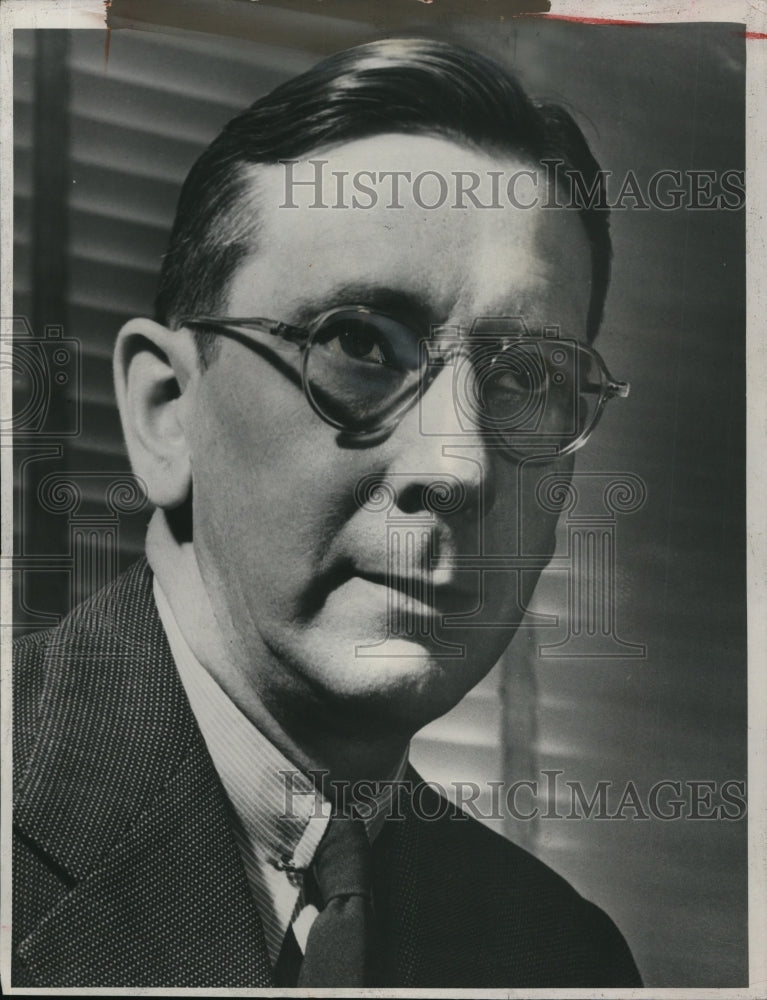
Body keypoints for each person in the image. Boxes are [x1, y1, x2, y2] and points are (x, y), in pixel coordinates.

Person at [12, 38, 642, 988]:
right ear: (166, 413)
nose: (460, 464)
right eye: (358, 343)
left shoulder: (563, 956)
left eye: (525, 379)